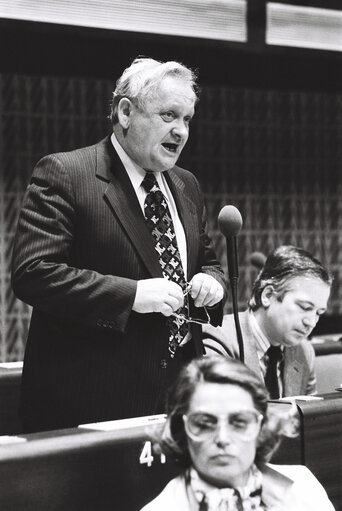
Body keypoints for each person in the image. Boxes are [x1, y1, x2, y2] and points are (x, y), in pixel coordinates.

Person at [11, 56, 226, 432]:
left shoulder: (185, 184)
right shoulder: (66, 173)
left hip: (178, 397)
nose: (181, 131)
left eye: (187, 119)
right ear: (126, 112)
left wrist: (212, 281)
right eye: (168, 116)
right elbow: (34, 273)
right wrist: (131, 295)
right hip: (92, 403)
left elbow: (206, 260)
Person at [141, 356, 335, 510]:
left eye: (239, 422)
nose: (223, 439)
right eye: (204, 424)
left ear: (261, 426)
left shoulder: (302, 487)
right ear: (182, 430)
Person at [203, 245, 332, 398]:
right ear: (268, 295)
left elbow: (312, 418)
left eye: (318, 313)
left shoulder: (304, 351)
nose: (311, 322)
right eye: (304, 307)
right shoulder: (220, 340)